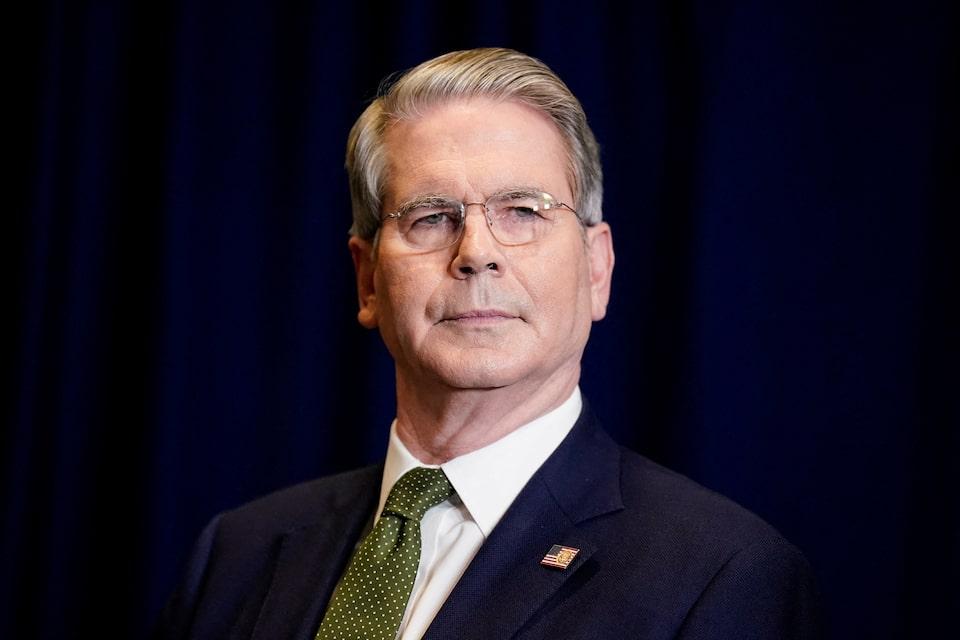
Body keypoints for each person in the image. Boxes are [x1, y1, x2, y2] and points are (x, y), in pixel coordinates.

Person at [153, 47, 822, 639]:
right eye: (430, 217)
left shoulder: (722, 575)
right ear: (368, 280)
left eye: (523, 211)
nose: (476, 253)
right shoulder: (236, 552)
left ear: (597, 269)